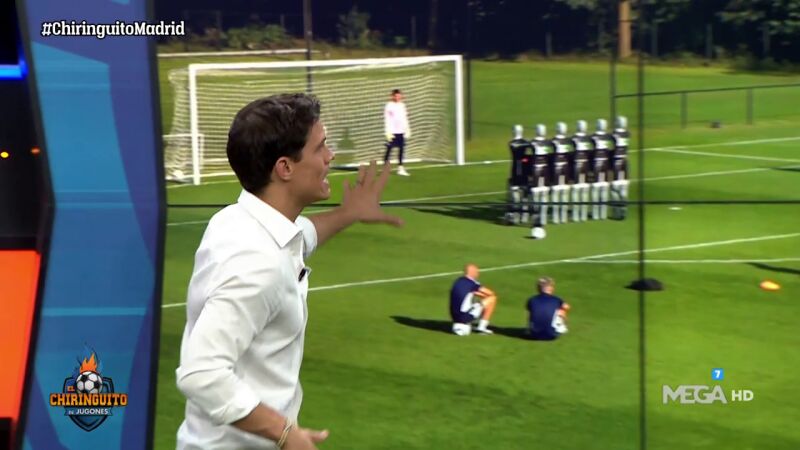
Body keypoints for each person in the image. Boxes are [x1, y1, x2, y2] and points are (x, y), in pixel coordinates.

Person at [175, 94, 403, 450]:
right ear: (285, 168)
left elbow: (301, 238)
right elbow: (201, 373)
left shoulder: (239, 220)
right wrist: (285, 434)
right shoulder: (256, 262)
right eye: (320, 147)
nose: (330, 156)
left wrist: (349, 213)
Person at [449, 264, 498, 335]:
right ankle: (482, 327)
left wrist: (481, 295)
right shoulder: (472, 283)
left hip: (454, 316)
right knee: (492, 298)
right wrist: (486, 297)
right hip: (465, 316)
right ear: (473, 272)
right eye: (477, 271)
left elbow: (470, 292)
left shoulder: (458, 281)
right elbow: (490, 293)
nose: (478, 273)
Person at [384, 89, 411, 176]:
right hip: (392, 132)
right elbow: (388, 119)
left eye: (399, 96)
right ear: (393, 96)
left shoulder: (402, 105)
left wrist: (407, 129)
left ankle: (400, 168)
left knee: (401, 149)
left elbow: (404, 118)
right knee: (389, 149)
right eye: (396, 96)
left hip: (401, 131)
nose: (398, 97)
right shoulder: (389, 106)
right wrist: (387, 131)